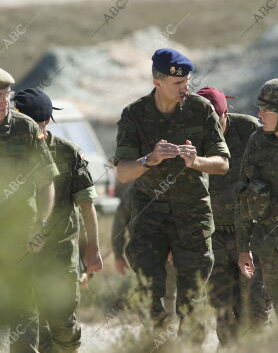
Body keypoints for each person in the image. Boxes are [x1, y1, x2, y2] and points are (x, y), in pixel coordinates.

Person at [114, 48, 230, 334]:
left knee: (192, 301)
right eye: (178, 83)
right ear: (157, 81)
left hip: (192, 217)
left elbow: (223, 163)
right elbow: (123, 172)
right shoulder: (135, 114)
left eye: (187, 81)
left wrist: (196, 161)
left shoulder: (200, 109)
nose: (185, 88)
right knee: (148, 297)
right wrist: (148, 160)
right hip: (149, 218)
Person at [14, 88, 103, 353]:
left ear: (45, 123)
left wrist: (93, 250)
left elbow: (87, 205)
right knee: (28, 328)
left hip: (60, 251)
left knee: (62, 322)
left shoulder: (67, 152)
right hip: (22, 252)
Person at [197, 87, 270, 346]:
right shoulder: (191, 138)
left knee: (255, 308)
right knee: (223, 310)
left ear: (225, 113)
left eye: (215, 120)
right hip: (213, 236)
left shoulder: (250, 130)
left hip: (250, 233)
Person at [0, 69, 58, 353]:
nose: (2, 100)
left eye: (5, 95)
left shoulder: (25, 128)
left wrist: (41, 224)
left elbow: (46, 181)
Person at [236, 78, 278, 315]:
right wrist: (244, 248)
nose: (259, 115)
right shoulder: (258, 142)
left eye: (266, 110)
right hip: (270, 247)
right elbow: (243, 196)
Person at [112, 183, 177, 315]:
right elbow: (119, 223)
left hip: (166, 251)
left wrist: (175, 247)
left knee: (165, 292)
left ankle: (165, 327)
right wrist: (118, 255)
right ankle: (156, 329)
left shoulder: (172, 186)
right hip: (145, 252)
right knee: (150, 293)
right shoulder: (133, 190)